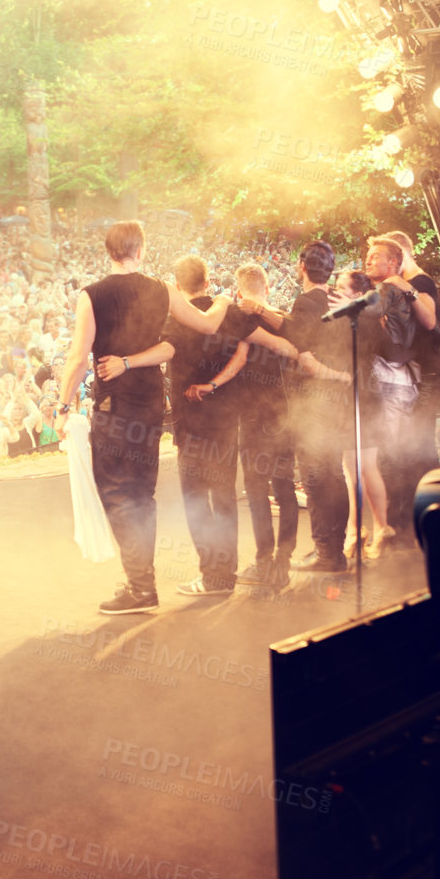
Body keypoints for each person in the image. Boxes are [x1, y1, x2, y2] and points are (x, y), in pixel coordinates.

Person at [56, 220, 231, 615]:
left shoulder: (91, 296)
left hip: (114, 407)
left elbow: (78, 358)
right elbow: (196, 330)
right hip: (151, 404)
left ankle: (140, 587)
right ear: (142, 249)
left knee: (118, 494)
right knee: (140, 493)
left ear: (108, 251)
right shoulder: (163, 290)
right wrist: (222, 300)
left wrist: (63, 406)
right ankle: (141, 583)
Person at [242, 240, 352, 574]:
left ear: (302, 267)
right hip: (336, 402)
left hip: (315, 401)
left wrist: (259, 312)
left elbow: (298, 346)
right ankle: (335, 550)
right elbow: (296, 327)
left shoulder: (305, 301)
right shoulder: (334, 299)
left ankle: (327, 554)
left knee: (317, 477)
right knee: (334, 473)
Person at [160, 256, 259, 597]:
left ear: (177, 283)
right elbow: (249, 351)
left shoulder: (173, 319)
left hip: (190, 423)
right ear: (206, 281)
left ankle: (211, 575)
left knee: (196, 500)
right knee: (225, 496)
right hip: (225, 419)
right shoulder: (228, 313)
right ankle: (226, 574)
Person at [230, 261, 299, 590]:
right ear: (267, 286)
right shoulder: (281, 319)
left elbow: (236, 361)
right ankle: (283, 562)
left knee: (257, 492)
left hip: (253, 417)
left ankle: (263, 562)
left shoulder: (240, 319)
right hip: (283, 414)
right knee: (284, 488)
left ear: (239, 290)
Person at [373, 231, 440, 550]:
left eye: (381, 256)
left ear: (399, 254)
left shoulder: (419, 281)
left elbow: (429, 322)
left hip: (426, 374)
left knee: (418, 449)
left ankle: (427, 521)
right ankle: (415, 523)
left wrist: (409, 289)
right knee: (408, 448)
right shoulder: (396, 286)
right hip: (416, 373)